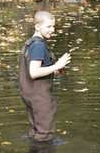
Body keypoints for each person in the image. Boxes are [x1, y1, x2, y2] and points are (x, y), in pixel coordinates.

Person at [19, 11, 71, 142]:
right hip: (39, 96)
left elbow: (36, 68)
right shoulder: (38, 46)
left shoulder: (29, 43)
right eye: (48, 26)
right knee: (44, 134)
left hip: (29, 94)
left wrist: (55, 69)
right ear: (37, 26)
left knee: (35, 130)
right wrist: (56, 65)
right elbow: (34, 72)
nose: (52, 30)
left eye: (53, 26)